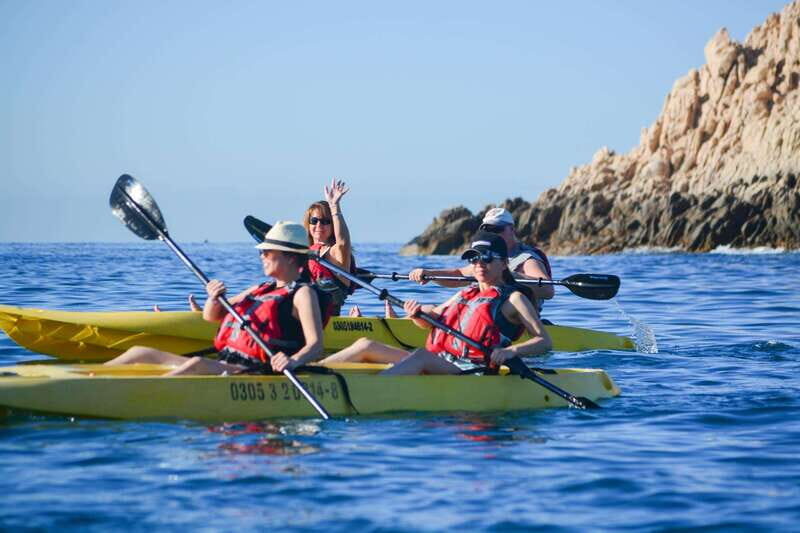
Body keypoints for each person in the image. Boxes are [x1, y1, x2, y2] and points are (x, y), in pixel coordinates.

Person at [105, 222, 324, 376]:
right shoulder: (260, 289)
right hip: (227, 362)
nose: (262, 257)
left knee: (197, 363)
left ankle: (143, 395)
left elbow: (316, 345)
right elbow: (212, 317)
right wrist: (214, 298)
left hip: (255, 371)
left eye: (267, 252)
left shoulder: (303, 294)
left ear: (291, 258)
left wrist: (292, 361)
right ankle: (82, 377)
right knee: (140, 352)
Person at [321, 231, 552, 375]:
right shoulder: (467, 293)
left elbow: (544, 341)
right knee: (365, 345)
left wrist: (511, 351)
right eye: (474, 258)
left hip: (471, 371)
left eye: (487, 258)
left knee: (420, 356)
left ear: (503, 264)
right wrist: (417, 315)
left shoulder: (514, 298)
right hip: (443, 362)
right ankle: (309, 373)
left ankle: (371, 391)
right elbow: (432, 322)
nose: (479, 264)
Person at [409, 207, 554, 311]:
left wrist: (510, 276)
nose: (492, 234)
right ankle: (408, 319)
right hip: (485, 310)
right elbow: (459, 275)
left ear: (512, 229)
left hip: (515, 320)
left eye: (497, 230)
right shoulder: (485, 256)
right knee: (440, 308)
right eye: (487, 230)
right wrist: (429, 274)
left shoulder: (527, 259)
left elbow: (548, 290)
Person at [303, 178, 358, 316]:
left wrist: (334, 206)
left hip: (326, 320)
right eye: (314, 221)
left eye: (326, 221)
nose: (319, 226)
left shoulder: (336, 253)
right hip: (301, 317)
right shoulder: (303, 253)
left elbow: (343, 243)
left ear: (333, 226)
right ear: (308, 224)